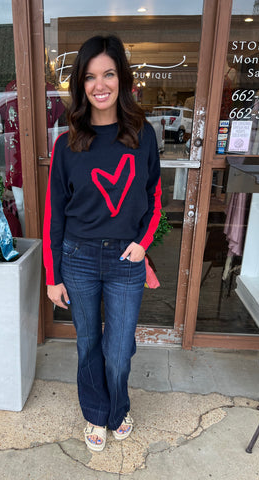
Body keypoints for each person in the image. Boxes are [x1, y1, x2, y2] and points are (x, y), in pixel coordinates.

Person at [43, 35, 161, 452]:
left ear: (121, 78)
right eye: (90, 76)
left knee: (118, 349)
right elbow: (54, 215)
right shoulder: (67, 143)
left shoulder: (142, 135)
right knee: (88, 342)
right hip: (78, 259)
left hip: (127, 259)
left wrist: (144, 243)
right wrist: (52, 276)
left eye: (108, 73)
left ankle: (118, 406)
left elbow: (156, 197)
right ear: (80, 84)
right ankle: (97, 414)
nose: (100, 84)